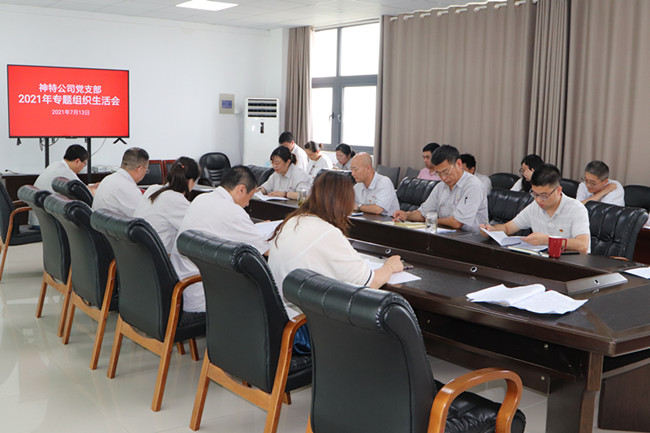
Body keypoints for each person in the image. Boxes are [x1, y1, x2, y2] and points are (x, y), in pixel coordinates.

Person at [268, 171, 404, 320]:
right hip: (302, 323)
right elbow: (371, 283)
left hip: (280, 316)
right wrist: (390, 266)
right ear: (343, 202)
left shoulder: (294, 221)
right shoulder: (326, 232)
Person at [170, 165, 270, 313]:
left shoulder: (201, 199)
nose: (248, 204)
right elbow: (267, 250)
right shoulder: (233, 211)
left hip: (182, 288)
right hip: (203, 293)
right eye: (249, 197)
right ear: (241, 189)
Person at [481, 164, 590, 254]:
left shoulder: (576, 209)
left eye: (544, 195)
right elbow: (508, 228)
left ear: (558, 190)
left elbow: (583, 245)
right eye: (535, 194)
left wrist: (547, 240)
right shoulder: (535, 207)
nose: (538, 200)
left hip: (571, 264)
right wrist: (492, 230)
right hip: (543, 261)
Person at [393, 145, 488, 233]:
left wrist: (431, 220)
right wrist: (406, 215)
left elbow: (457, 222)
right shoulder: (441, 186)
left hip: (470, 238)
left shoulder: (473, 185)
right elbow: (423, 214)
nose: (443, 178)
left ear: (458, 164)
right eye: (438, 174)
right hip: (445, 234)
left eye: (446, 172)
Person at [133, 157, 199, 253]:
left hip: (138, 254)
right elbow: (196, 230)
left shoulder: (153, 189)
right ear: (191, 181)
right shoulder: (175, 199)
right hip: (157, 257)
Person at [30, 144, 89, 226]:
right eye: (84, 163)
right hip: (45, 223)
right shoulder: (66, 172)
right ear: (77, 161)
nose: (83, 167)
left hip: (38, 218)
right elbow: (85, 192)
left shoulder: (55, 164)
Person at [93, 147, 149, 217]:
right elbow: (143, 217)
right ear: (140, 169)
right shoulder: (128, 188)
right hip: (114, 223)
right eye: (146, 170)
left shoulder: (108, 179)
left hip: (101, 222)